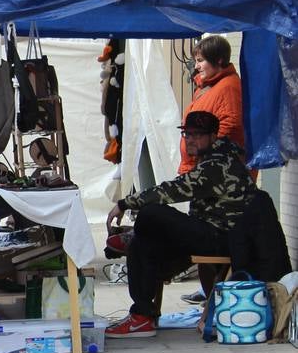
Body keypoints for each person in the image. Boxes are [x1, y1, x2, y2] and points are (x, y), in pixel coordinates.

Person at [105, 111, 253, 339]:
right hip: (207, 234)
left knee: (151, 213)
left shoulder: (219, 163)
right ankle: (142, 317)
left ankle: (132, 236)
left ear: (213, 136)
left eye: (198, 135)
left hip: (222, 238)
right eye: (187, 134)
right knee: (141, 244)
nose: (191, 140)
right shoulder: (211, 158)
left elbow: (174, 190)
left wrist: (125, 203)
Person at [179, 36, 243, 175]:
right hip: (200, 169)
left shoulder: (228, 87)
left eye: (201, 61)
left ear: (218, 59)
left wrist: (203, 158)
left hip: (216, 175)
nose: (196, 66)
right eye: (196, 61)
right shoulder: (206, 87)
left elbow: (231, 128)